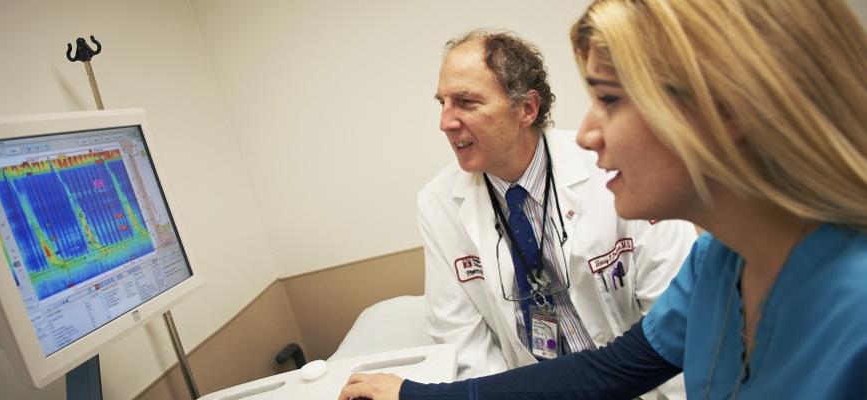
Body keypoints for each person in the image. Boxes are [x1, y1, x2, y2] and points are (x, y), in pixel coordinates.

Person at [338, 0, 867, 399]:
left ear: (727, 108)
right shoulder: (719, 262)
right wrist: (416, 394)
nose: (586, 135)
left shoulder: (852, 311)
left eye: (609, 99)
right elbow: (610, 369)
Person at [418, 29, 696, 398]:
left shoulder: (614, 171)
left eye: (466, 102)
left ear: (526, 109)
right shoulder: (438, 204)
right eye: (443, 103)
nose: (446, 122)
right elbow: (463, 343)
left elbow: (672, 324)